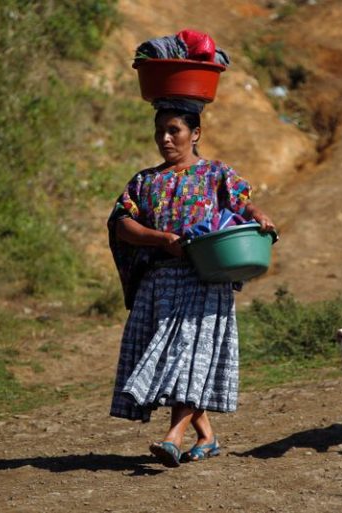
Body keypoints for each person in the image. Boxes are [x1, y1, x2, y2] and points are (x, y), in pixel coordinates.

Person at [107, 102, 275, 468]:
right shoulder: (144, 181)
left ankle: (173, 437)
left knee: (185, 356)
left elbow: (243, 205)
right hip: (159, 283)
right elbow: (121, 224)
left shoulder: (215, 173)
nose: (165, 139)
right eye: (160, 132)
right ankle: (207, 436)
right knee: (173, 358)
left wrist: (259, 215)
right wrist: (161, 239)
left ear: (195, 134)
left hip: (205, 279)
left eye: (174, 131)